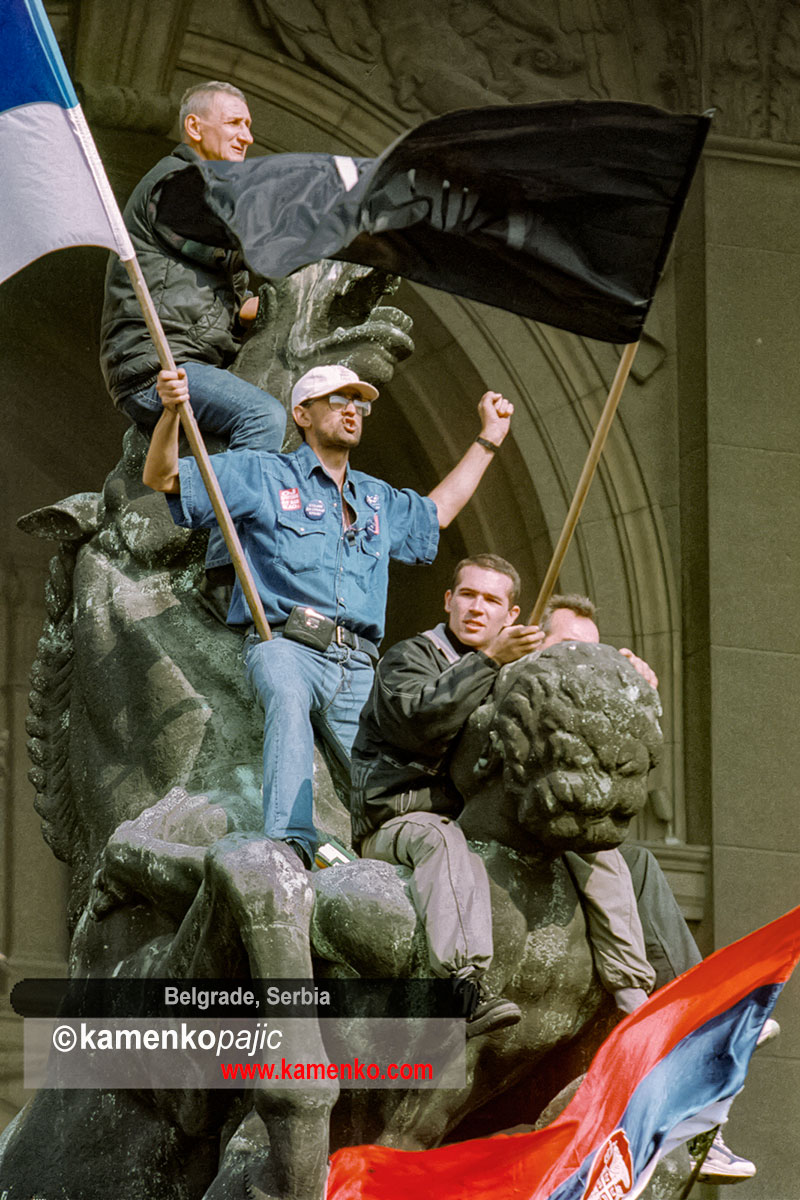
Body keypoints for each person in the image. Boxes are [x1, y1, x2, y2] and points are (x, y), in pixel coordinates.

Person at [142, 362, 515, 874]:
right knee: (288, 696)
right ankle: (289, 847)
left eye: (358, 404)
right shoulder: (264, 474)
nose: (352, 411)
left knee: (393, 764)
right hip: (288, 645)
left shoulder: (376, 498)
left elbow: (437, 513)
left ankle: (388, 860)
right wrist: (171, 415)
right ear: (303, 414)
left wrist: (489, 440)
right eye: (337, 401)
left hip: (360, 664)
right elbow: (162, 475)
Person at [349, 556, 658, 1037]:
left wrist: (632, 683)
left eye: (492, 600)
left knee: (596, 851)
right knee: (441, 844)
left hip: (470, 813)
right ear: (448, 602)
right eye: (468, 595)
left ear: (511, 616)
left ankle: (633, 992)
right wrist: (490, 660)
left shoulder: (509, 669)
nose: (477, 608)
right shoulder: (411, 657)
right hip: (400, 814)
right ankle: (462, 985)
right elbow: (417, 723)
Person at [540, 592, 778, 1184]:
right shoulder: (511, 679)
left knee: (633, 859)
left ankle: (700, 1043)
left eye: (588, 652)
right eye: (566, 646)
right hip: (517, 823)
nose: (578, 660)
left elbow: (616, 769)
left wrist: (635, 693)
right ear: (535, 640)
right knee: (621, 856)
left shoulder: (585, 696)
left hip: (576, 829)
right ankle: (695, 1017)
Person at [100, 80, 287, 577]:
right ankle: (226, 566)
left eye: (249, 125)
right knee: (264, 417)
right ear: (193, 127)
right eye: (234, 122)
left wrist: (256, 308)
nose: (247, 135)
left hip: (194, 361)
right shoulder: (177, 185)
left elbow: (231, 297)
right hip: (158, 365)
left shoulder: (210, 211)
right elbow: (231, 227)